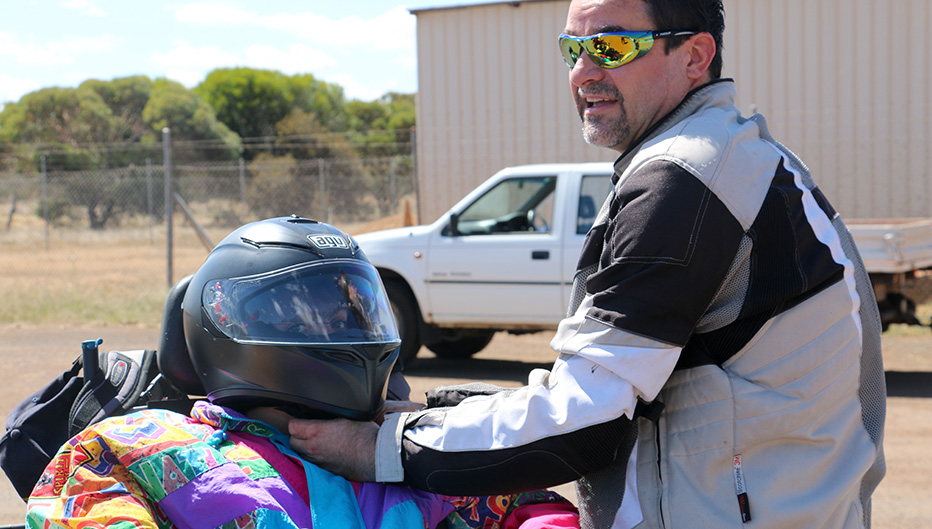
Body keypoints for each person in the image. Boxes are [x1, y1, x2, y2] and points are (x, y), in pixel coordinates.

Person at [286, 1, 887, 528]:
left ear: (695, 55)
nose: (584, 72)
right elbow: (629, 400)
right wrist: (439, 413)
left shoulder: (686, 178)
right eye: (572, 48)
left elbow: (587, 423)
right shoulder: (727, 152)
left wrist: (377, 448)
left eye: (612, 45)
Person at [25, 216, 580, 529]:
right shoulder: (138, 447)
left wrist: (408, 438)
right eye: (314, 315)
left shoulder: (412, 449)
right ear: (227, 321)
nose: (347, 329)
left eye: (355, 311)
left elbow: (532, 510)